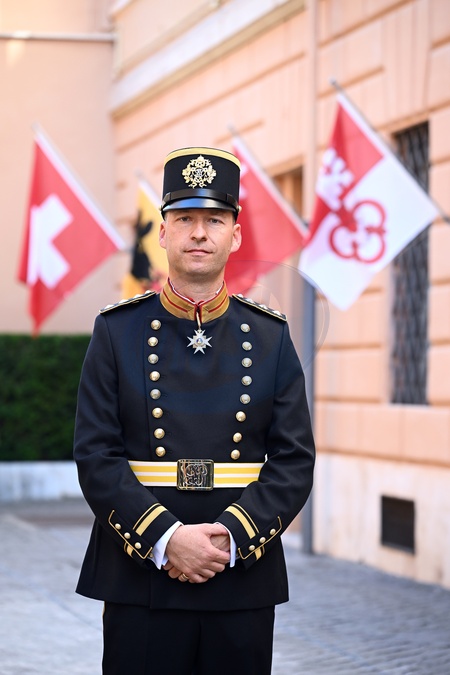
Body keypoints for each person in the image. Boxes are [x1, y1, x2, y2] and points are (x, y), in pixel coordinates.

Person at [73, 146, 315, 675]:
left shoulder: (270, 337)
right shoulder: (116, 332)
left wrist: (229, 536)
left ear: (236, 234)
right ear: (162, 233)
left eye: (214, 219)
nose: (199, 233)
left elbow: (294, 460)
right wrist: (167, 539)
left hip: (240, 573)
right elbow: (96, 455)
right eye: (184, 219)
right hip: (141, 574)